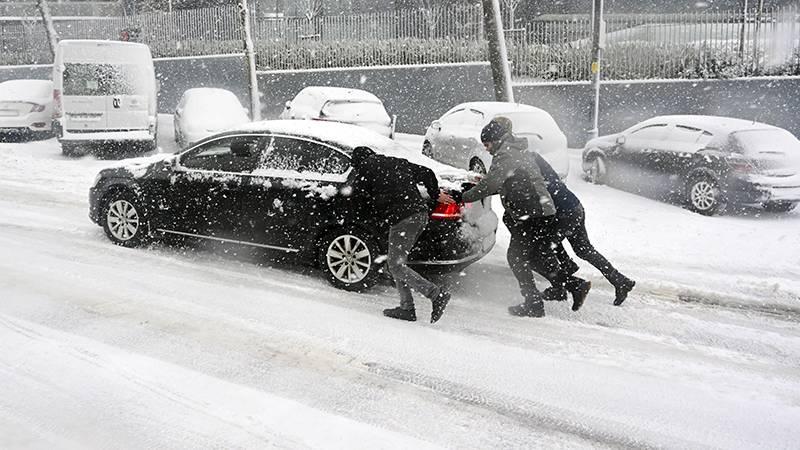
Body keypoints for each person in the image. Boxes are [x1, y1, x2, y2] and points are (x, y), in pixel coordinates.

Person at [493, 117, 637, 306]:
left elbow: (514, 184)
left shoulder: (517, 158)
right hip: (572, 206)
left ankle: (568, 284)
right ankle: (619, 280)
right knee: (582, 249)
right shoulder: (528, 153)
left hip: (561, 214)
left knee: (541, 250)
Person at [461, 119, 591, 318]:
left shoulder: (506, 156)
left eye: (487, 144)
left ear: (497, 140)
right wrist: (488, 183)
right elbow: (507, 181)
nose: (486, 149)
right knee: (533, 257)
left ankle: (535, 303)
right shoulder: (516, 151)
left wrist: (462, 196)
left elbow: (492, 184)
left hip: (532, 213)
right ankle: (573, 285)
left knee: (516, 257)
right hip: (539, 210)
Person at [348, 146, 454, 323]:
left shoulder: (364, 171)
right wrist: (434, 194)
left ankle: (436, 294)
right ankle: (407, 309)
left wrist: (370, 218)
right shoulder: (396, 162)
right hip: (419, 215)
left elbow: (359, 203)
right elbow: (427, 172)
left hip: (403, 219)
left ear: (357, 163)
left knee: (395, 266)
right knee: (397, 263)